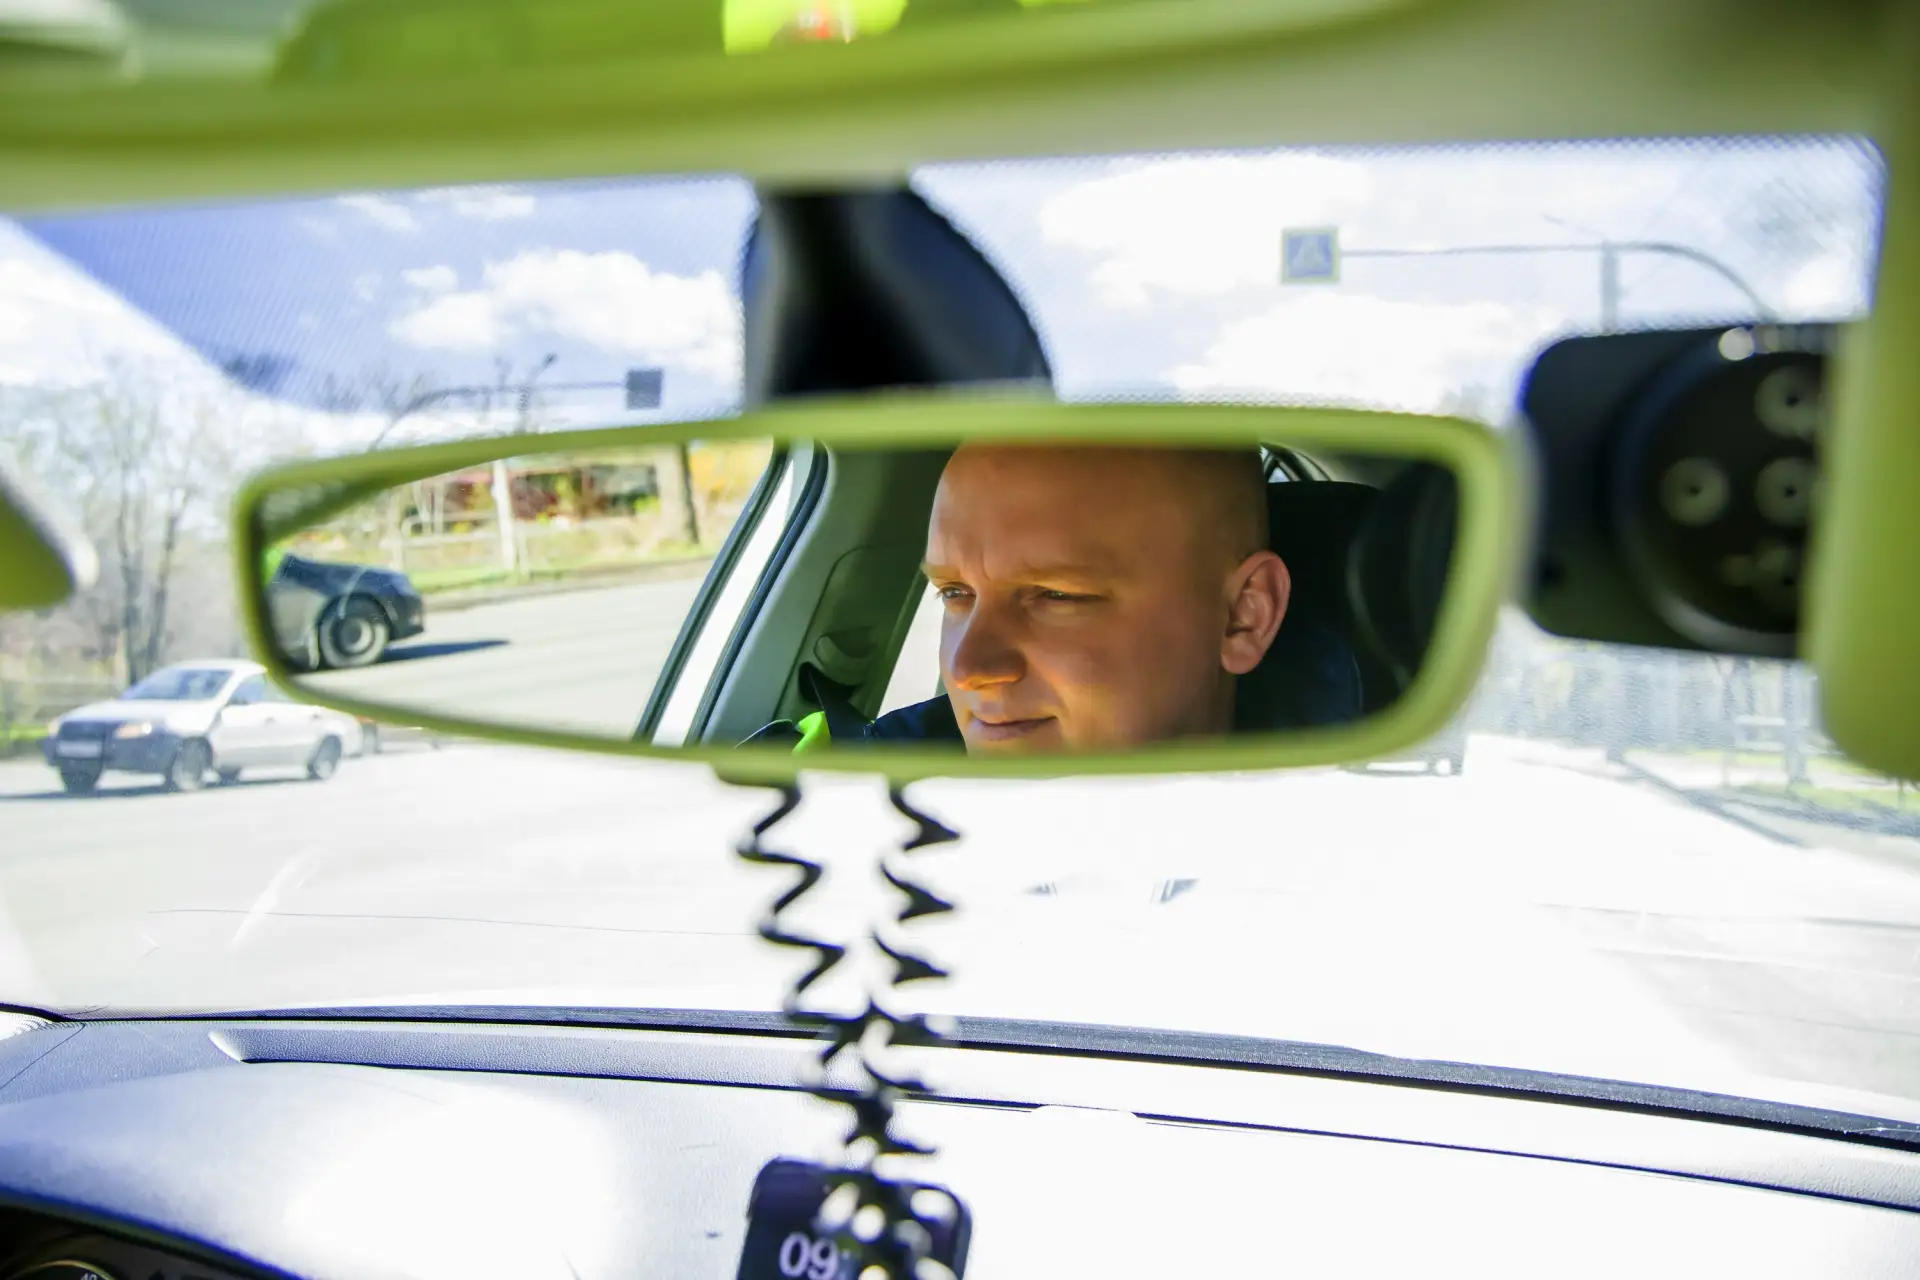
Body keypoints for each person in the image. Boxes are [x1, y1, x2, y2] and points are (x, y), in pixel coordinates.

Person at [747, 443, 1323, 755]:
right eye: (955, 593)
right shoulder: (838, 781)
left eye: (1056, 595)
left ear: (1243, 616)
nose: (967, 670)